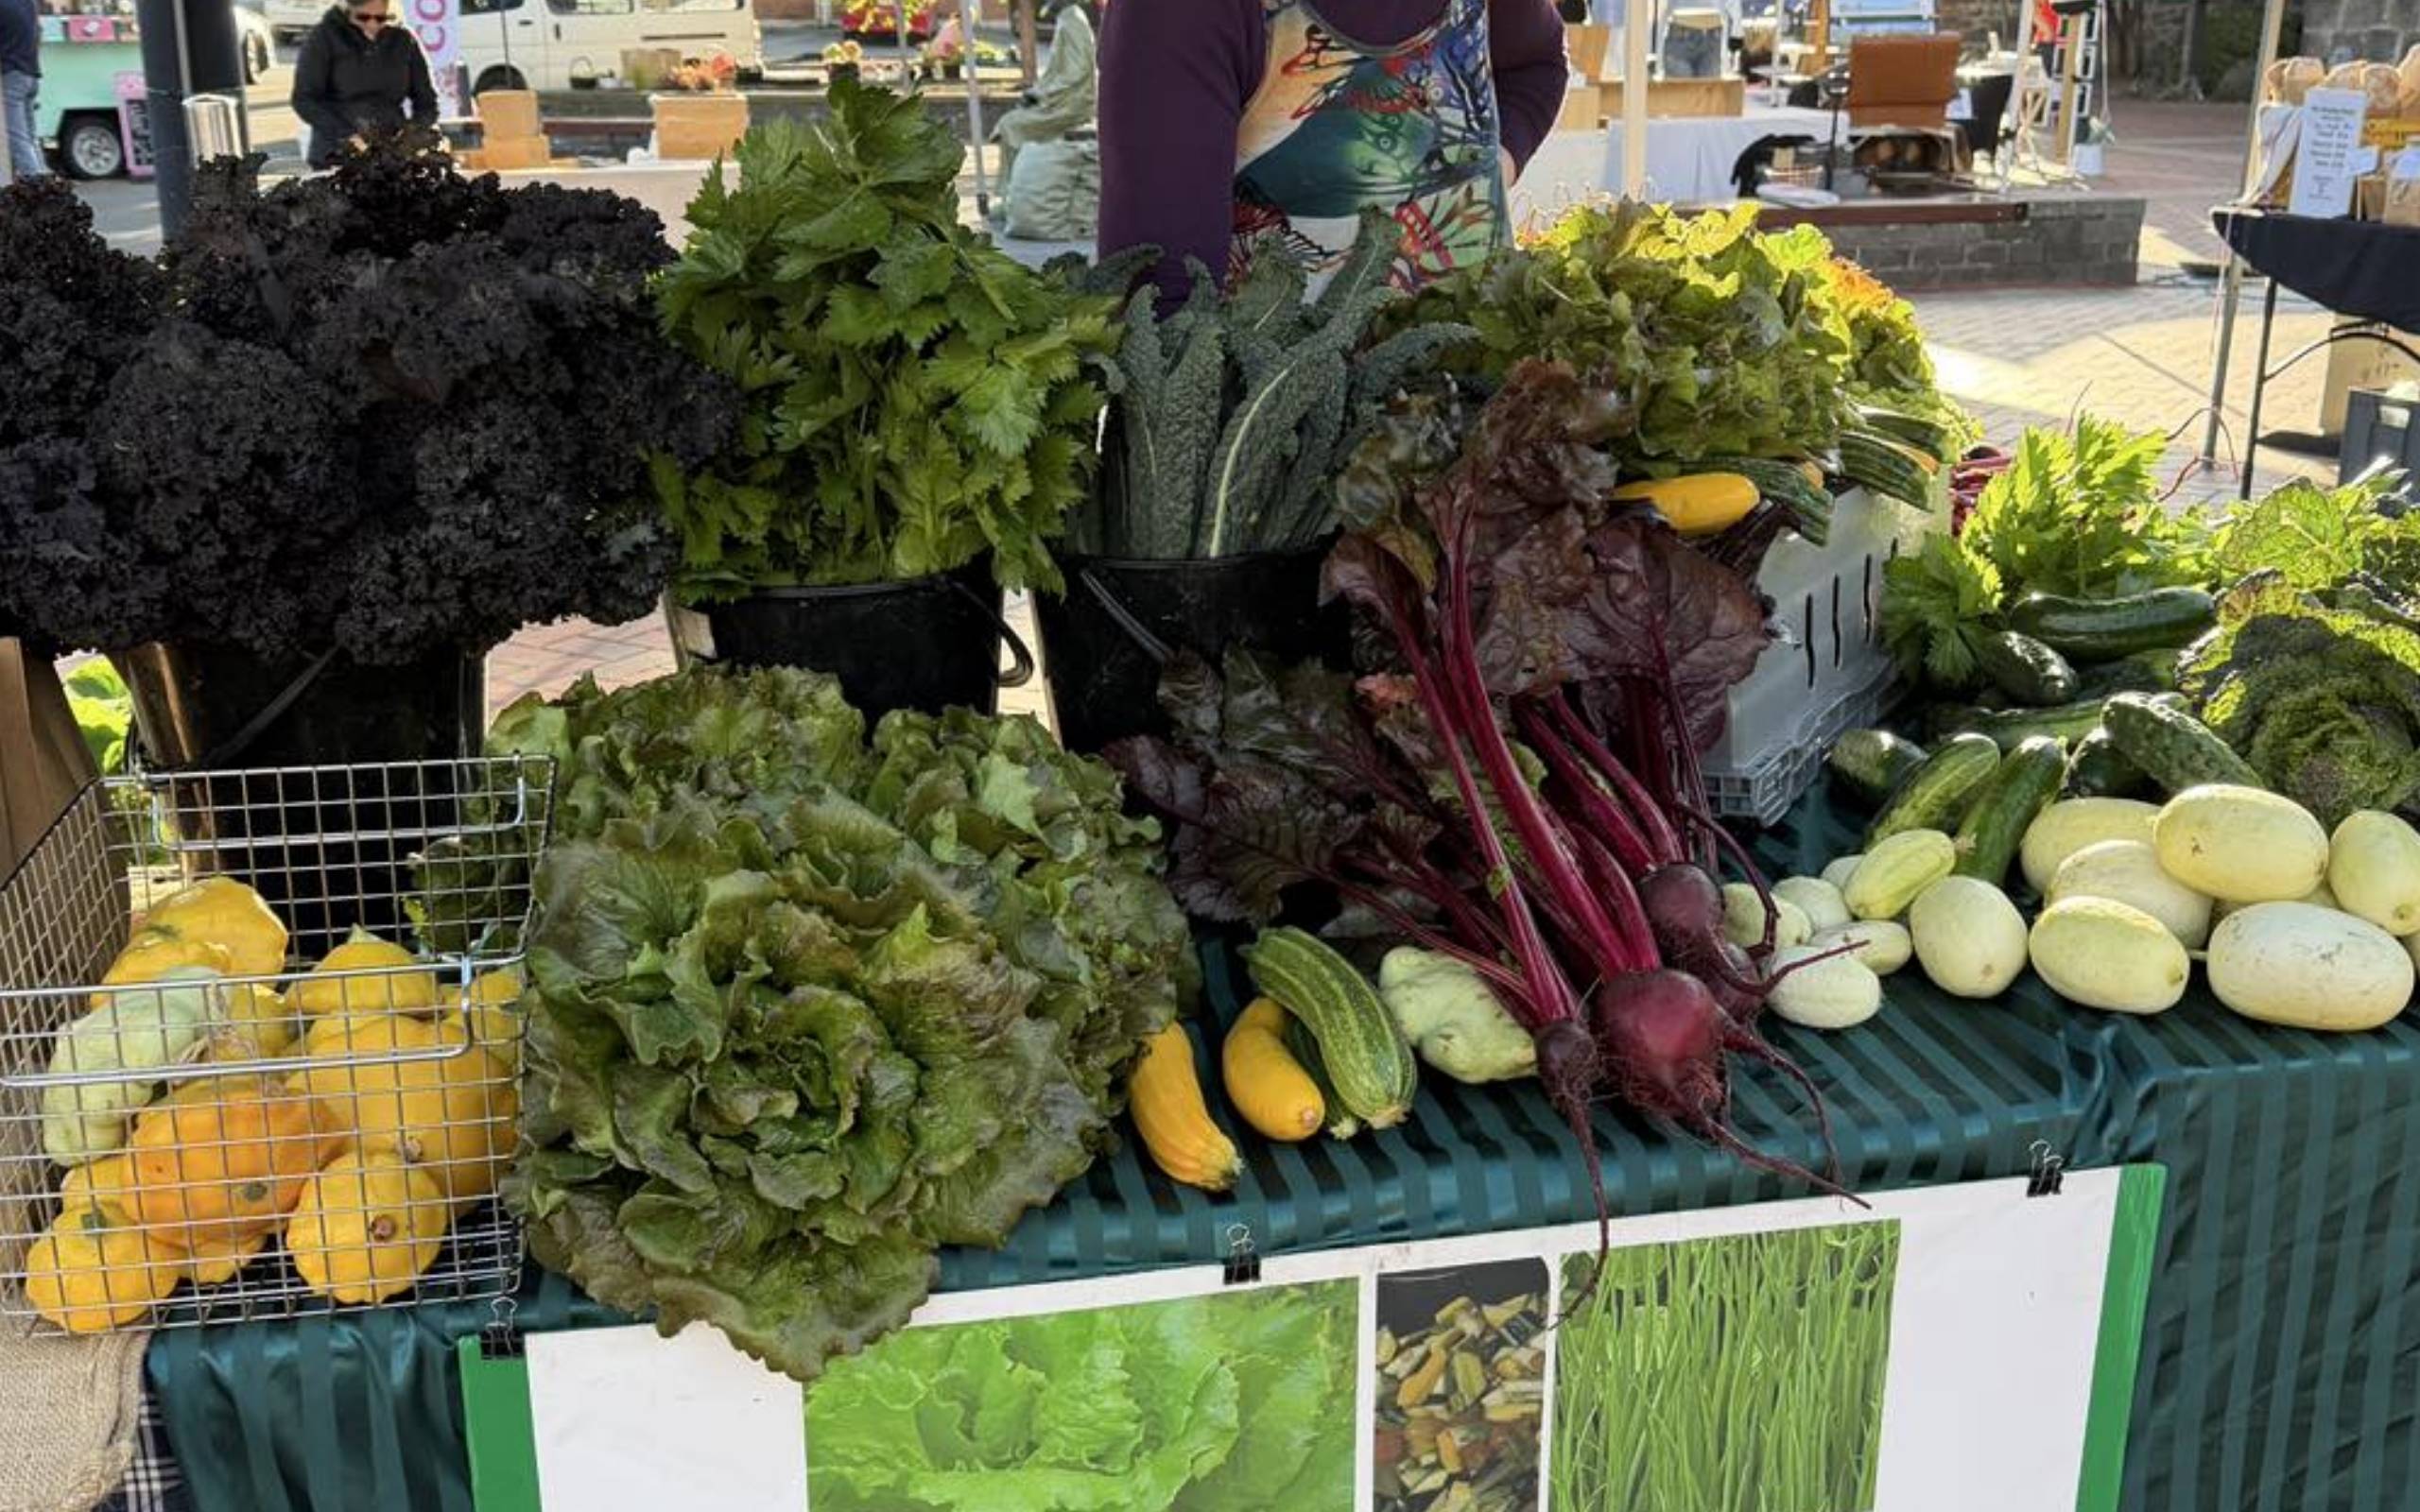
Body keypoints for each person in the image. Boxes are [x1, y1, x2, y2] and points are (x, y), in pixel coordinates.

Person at [1098, 0, 1568, 301]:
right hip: (1272, 420)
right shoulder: (1177, 14)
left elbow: (1536, 66)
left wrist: (1489, 167)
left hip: (1486, 406)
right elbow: (1164, 297)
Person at [290, 0, 438, 168]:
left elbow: (427, 100)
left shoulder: (403, 39)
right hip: (335, 152)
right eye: (363, 17)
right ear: (348, 10)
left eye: (381, 18)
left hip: (392, 153)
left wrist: (413, 135)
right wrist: (346, 135)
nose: (372, 24)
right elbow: (304, 99)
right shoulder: (323, 38)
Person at [994, 0, 1097, 194]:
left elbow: (1076, 72)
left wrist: (1041, 95)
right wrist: (1036, 94)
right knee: (1011, 122)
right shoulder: (1067, 18)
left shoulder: (1072, 20)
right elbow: (1056, 74)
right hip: (1063, 100)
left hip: (1071, 104)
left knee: (1012, 126)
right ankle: (1012, 189)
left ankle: (1012, 190)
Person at [0, 0, 42, 184]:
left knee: (17, 140)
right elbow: (39, 32)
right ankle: (44, 185)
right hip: (31, 74)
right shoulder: (28, 3)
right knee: (30, 139)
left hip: (11, 77)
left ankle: (36, 190)